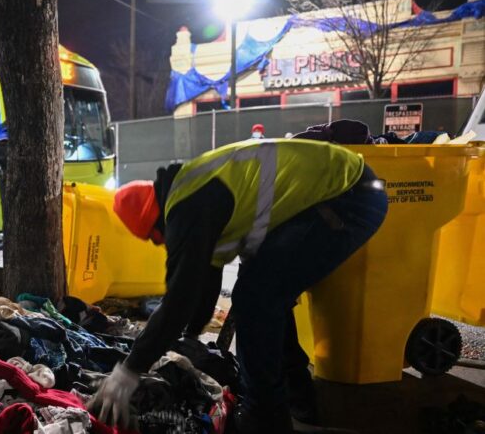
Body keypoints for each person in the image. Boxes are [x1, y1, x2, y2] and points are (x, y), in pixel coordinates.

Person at [89, 138, 388, 433]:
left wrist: (129, 370)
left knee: (256, 300)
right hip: (344, 193)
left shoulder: (188, 206)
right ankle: (299, 402)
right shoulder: (196, 194)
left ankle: (265, 420)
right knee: (266, 295)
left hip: (347, 196)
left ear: (156, 222)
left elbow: (179, 297)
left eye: (157, 239)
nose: (164, 244)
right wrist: (188, 340)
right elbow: (203, 284)